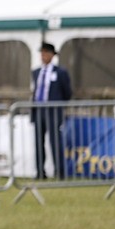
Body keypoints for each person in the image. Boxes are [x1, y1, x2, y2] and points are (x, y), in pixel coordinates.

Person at [31, 42, 72, 179]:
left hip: (53, 111)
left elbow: (67, 92)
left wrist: (59, 106)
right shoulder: (36, 72)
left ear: (51, 55)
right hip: (39, 110)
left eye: (45, 53)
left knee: (55, 142)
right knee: (38, 142)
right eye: (41, 53)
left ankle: (60, 171)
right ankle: (40, 172)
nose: (43, 56)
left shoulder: (60, 72)